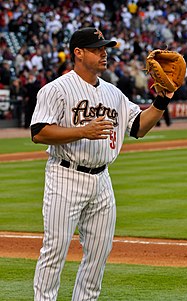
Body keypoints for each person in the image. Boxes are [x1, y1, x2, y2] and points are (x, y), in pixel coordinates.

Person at [31, 27, 174, 301]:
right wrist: (82, 131)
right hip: (66, 177)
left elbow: (139, 127)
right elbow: (39, 132)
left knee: (98, 253)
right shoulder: (56, 90)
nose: (104, 53)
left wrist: (162, 99)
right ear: (78, 53)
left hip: (102, 181)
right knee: (55, 249)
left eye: (105, 48)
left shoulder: (113, 93)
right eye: (97, 49)